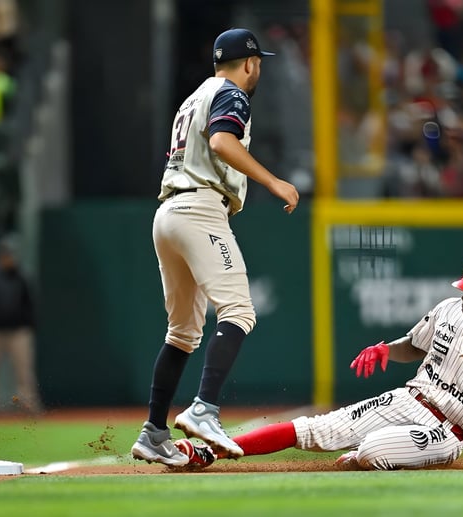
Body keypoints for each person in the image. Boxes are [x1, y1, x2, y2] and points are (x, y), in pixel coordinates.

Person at [177, 252, 463, 470]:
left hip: (447, 432)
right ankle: (209, 450)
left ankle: (361, 461)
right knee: (315, 429)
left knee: (373, 453)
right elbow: (412, 345)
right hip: (407, 399)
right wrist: (386, 349)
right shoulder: (447, 309)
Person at [130, 27, 300, 467]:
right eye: (258, 61)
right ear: (248, 63)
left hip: (168, 212)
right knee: (239, 311)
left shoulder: (194, 96)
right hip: (200, 209)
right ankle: (204, 409)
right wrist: (273, 181)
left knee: (182, 333)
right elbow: (223, 141)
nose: (258, 68)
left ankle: (153, 432)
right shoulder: (232, 93)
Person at [0, 235, 43, 415]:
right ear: (0, 255)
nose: (9, 257)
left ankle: (28, 406)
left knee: (24, 372)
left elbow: (29, 303)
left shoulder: (21, 276)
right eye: (6, 254)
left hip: (18, 332)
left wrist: (29, 325)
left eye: (12, 254)